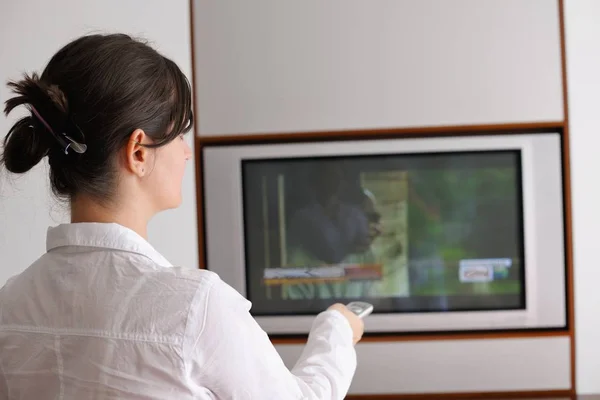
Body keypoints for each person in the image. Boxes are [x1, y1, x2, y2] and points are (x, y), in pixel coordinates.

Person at [0, 33, 364, 399]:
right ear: (138, 152)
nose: (186, 152)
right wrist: (336, 330)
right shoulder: (195, 308)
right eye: (179, 134)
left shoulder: (10, 305)